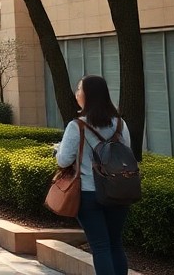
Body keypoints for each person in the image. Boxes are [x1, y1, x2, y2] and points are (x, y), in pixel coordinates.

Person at [56, 75, 133, 275]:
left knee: (100, 246)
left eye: (79, 89)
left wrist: (58, 151)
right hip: (118, 191)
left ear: (87, 95)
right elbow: (126, 153)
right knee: (115, 244)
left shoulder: (77, 125)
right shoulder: (120, 124)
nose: (76, 93)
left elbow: (63, 160)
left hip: (89, 193)